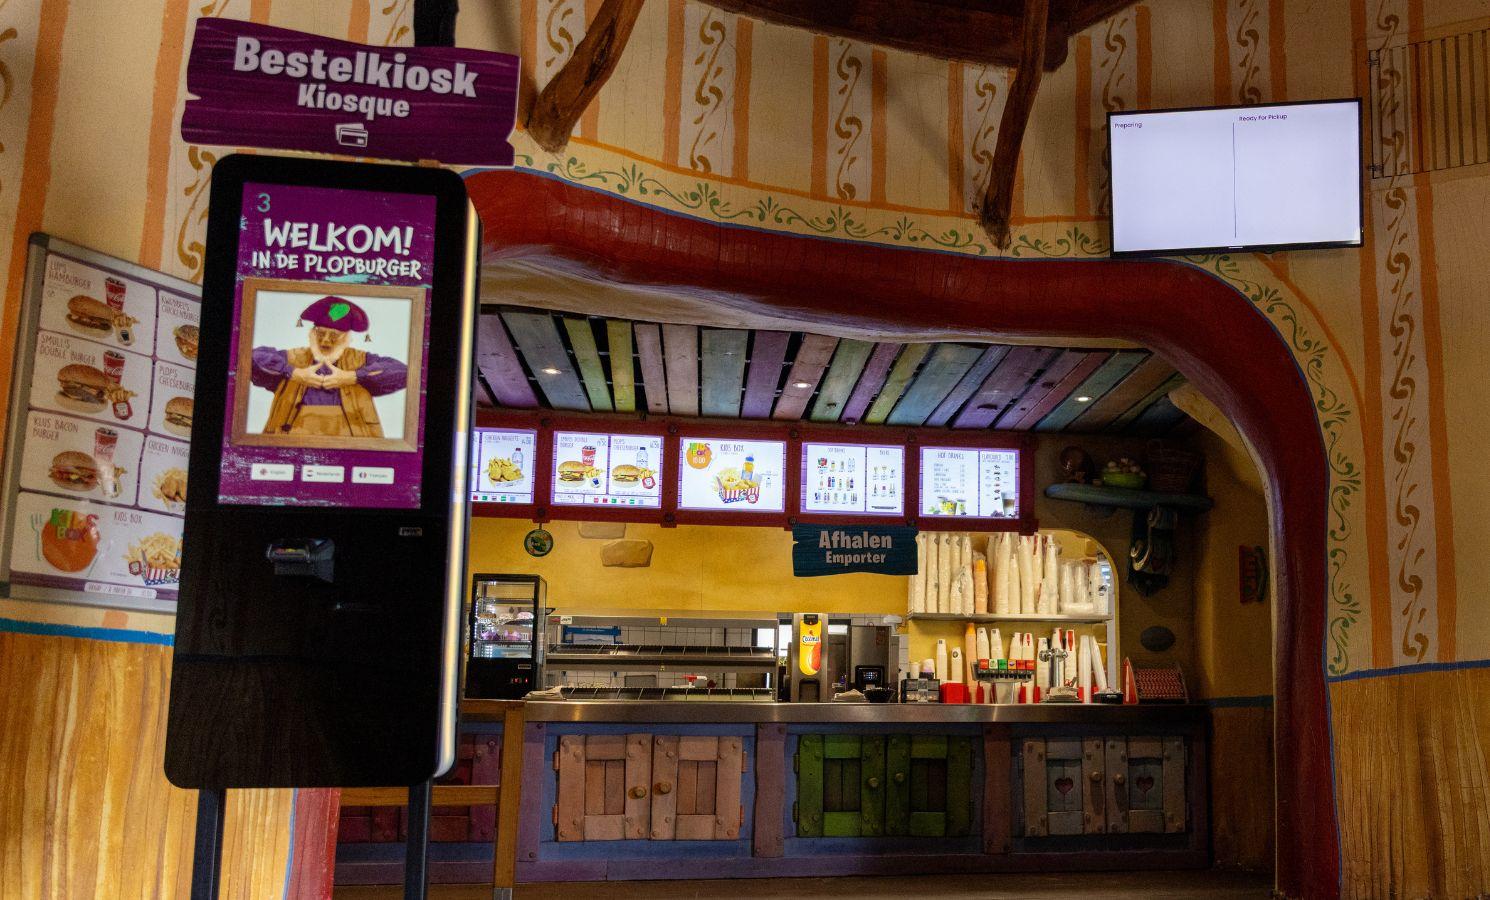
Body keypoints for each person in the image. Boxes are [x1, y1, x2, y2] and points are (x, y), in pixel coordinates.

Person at [250, 295, 408, 438]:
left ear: (346, 338)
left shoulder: (361, 361)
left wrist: (353, 377)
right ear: (312, 333)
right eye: (321, 333)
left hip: (350, 443)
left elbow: (404, 372)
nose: (325, 340)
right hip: (293, 440)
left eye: (334, 335)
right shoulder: (293, 359)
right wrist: (293, 372)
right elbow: (248, 357)